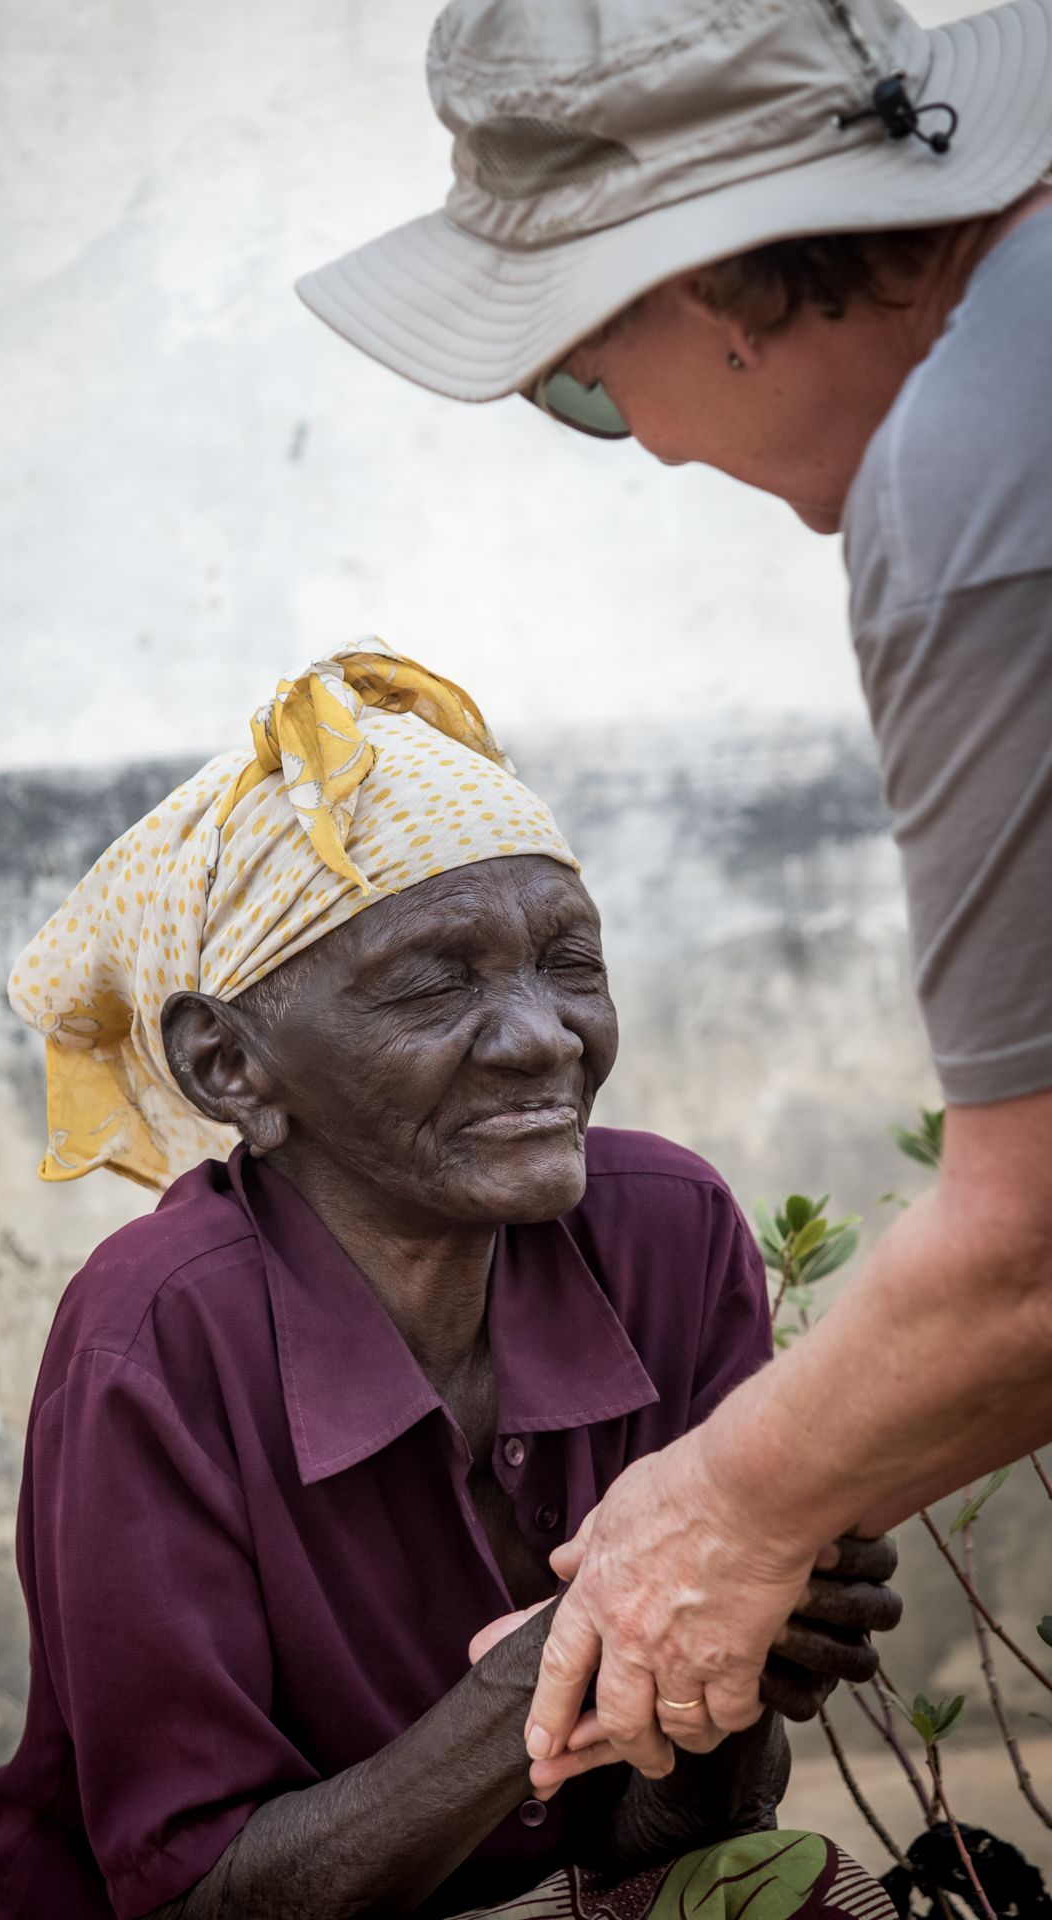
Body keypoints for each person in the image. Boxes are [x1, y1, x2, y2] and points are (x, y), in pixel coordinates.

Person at [294, 0, 1052, 1782]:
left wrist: (722, 1504)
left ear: (709, 284)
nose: (634, 442)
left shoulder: (979, 477)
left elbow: (1030, 1250)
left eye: (576, 369)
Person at [0, 640, 900, 1919]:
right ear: (230, 1069)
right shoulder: (155, 1334)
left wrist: (737, 1654)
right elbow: (196, 1898)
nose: (543, 1037)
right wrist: (580, 1641)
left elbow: (665, 1834)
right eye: (436, 982)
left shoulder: (668, 1232)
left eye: (570, 964)